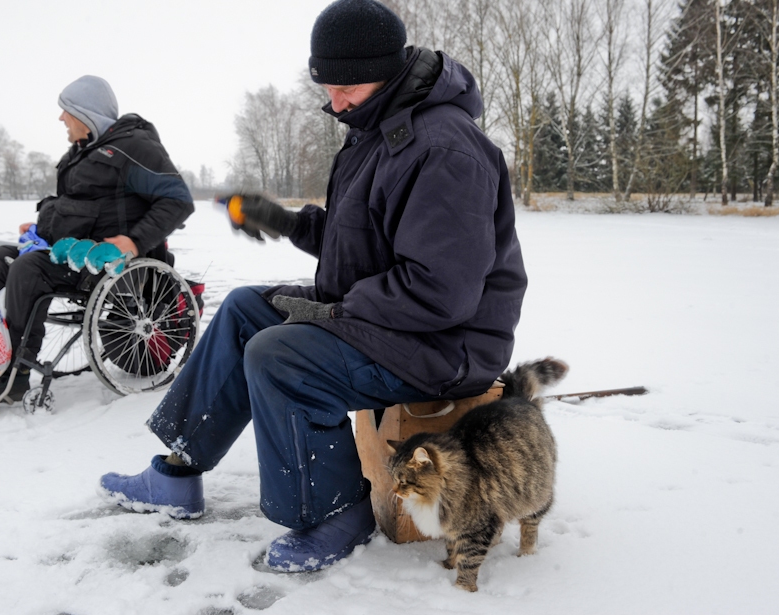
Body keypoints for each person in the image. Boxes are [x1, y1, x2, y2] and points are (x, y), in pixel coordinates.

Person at [99, 0, 527, 572]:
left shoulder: (445, 149)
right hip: (394, 322)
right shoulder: (378, 131)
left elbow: (440, 292)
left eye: (347, 85)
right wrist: (280, 219)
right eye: (326, 84)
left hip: (448, 344)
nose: (335, 100)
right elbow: (356, 241)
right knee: (247, 308)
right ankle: (179, 470)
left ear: (388, 65)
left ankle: (335, 513)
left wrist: (333, 315)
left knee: (280, 355)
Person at [0, 75, 194, 403]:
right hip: (70, 251)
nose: (61, 118)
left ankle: (12, 375)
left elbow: (178, 200)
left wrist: (133, 242)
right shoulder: (82, 152)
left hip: (107, 261)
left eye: (67, 111)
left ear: (87, 114)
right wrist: (41, 227)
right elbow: (80, 207)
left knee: (29, 269)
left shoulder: (135, 148)